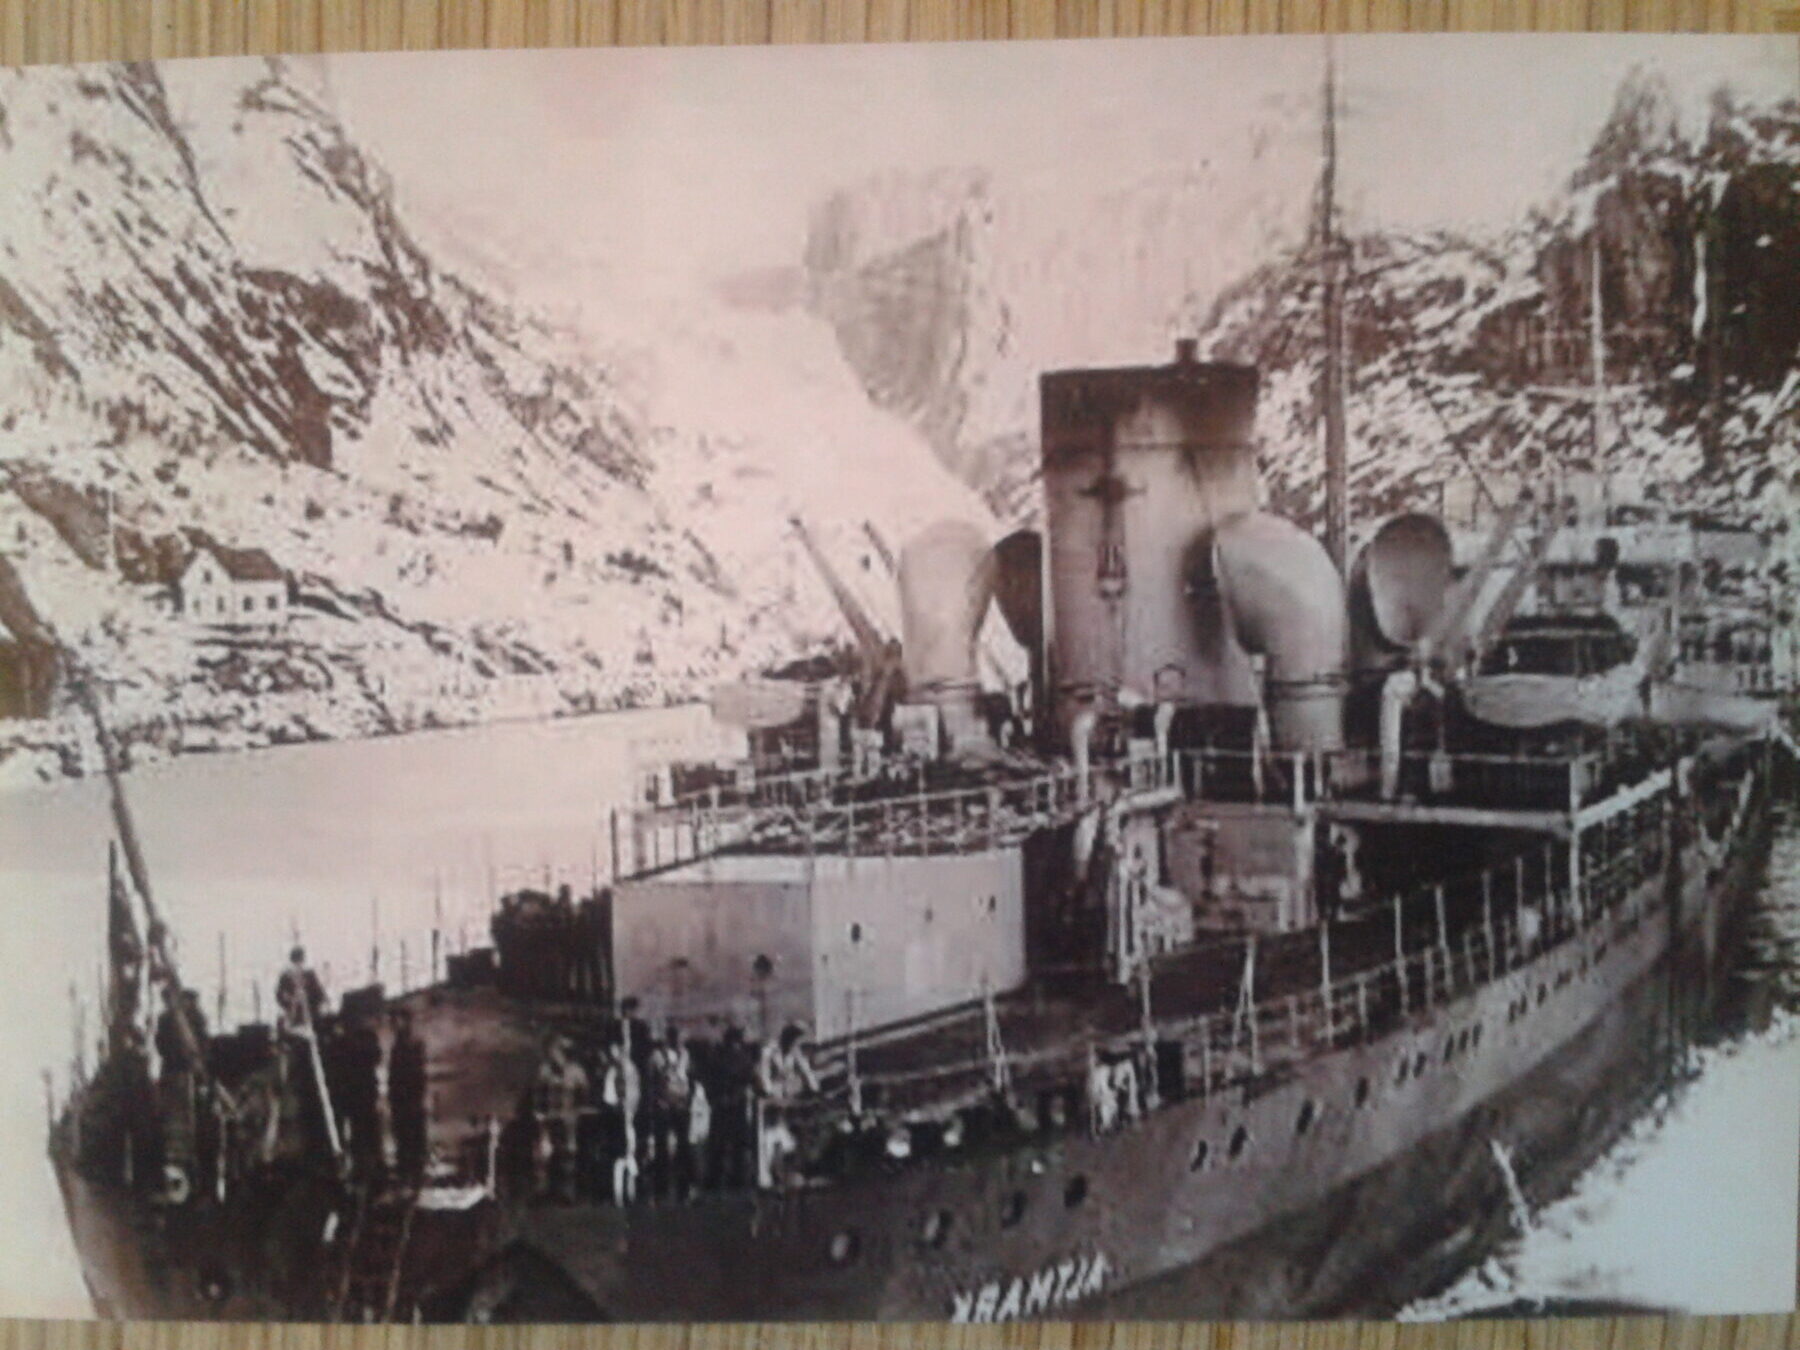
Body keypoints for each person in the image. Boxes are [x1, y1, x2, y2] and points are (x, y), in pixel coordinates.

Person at [754, 1023, 818, 1189]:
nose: (795, 1045)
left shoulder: (794, 1053)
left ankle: (782, 1173)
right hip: (768, 1102)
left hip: (785, 1100)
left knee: (785, 1137)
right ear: (787, 1038)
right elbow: (763, 1076)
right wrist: (770, 1091)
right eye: (794, 1041)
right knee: (767, 1140)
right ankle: (765, 1179)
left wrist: (812, 1086)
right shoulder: (769, 1051)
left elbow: (807, 1073)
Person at [531, 1036, 587, 1202]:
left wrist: (577, 1111)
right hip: (548, 1118)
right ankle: (542, 1190)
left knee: (568, 1154)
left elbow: (583, 1093)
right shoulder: (544, 1071)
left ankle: (568, 1192)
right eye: (553, 1052)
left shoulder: (576, 1072)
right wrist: (538, 1112)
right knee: (543, 1154)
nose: (554, 1055)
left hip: (568, 1119)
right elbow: (537, 1094)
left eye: (558, 1052)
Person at [704, 1023, 756, 1191]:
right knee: (718, 1144)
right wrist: (715, 1098)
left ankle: (737, 1178)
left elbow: (748, 1080)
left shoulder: (743, 1058)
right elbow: (709, 1081)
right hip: (721, 1105)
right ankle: (716, 1179)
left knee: (738, 1144)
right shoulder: (717, 1058)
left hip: (737, 1104)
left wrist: (736, 1096)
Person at [646, 1025, 695, 1200]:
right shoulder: (657, 1056)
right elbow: (651, 1081)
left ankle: (684, 1186)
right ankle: (661, 1187)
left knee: (683, 1145)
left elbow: (691, 1078)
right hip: (664, 1105)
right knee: (662, 1146)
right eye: (674, 1037)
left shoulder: (685, 1055)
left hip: (681, 1105)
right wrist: (657, 1101)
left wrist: (688, 1100)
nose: (677, 1041)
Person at [598, 1028, 640, 1205]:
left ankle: (629, 1193)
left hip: (625, 1116)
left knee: (627, 1155)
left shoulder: (628, 1070)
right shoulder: (612, 1071)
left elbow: (634, 1093)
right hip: (615, 1117)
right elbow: (608, 1096)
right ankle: (619, 1195)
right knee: (619, 1157)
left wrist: (628, 1110)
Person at [388, 1008, 429, 1187]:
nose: (393, 1024)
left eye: (397, 1020)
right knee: (404, 1136)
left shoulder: (412, 1045)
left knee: (412, 1136)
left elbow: (417, 1076)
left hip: (410, 1099)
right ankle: (408, 1172)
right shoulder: (400, 1045)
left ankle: (414, 1172)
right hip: (402, 1100)